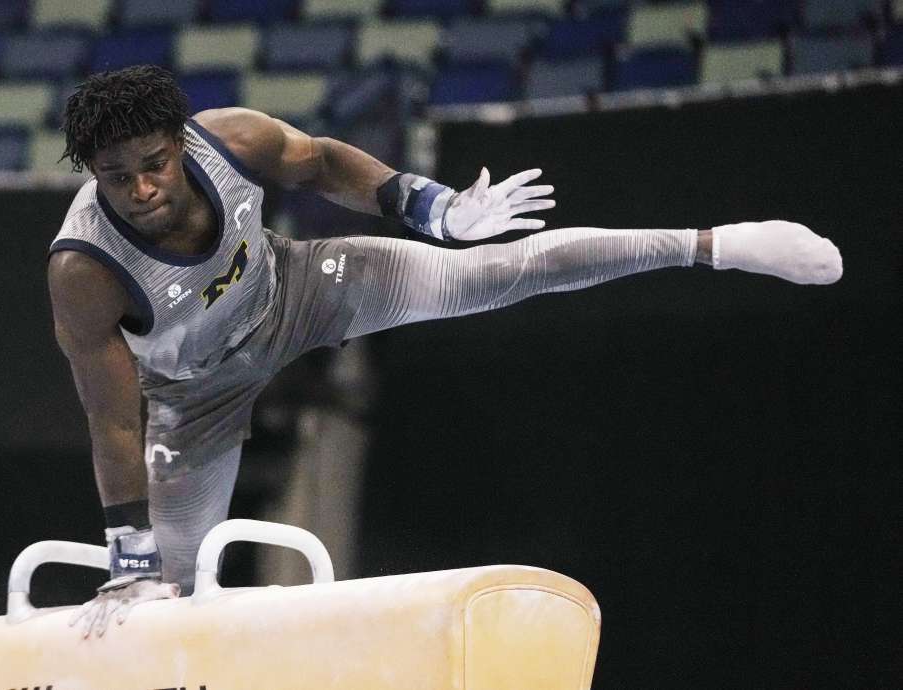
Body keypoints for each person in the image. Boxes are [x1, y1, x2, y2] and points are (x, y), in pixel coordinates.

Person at [47, 65, 842, 637]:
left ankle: (715, 244)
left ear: (181, 143)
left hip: (296, 288)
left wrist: (435, 210)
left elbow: (324, 161)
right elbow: (114, 422)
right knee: (162, 603)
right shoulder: (85, 270)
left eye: (154, 164)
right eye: (118, 179)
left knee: (494, 270)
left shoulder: (235, 140)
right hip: (194, 398)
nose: (144, 188)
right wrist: (131, 558)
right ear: (92, 174)